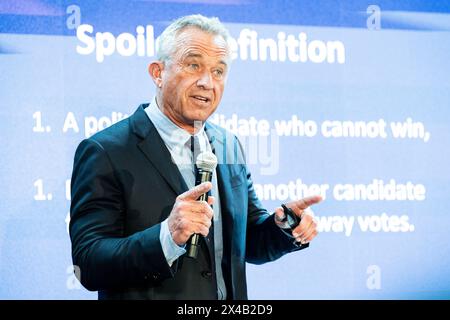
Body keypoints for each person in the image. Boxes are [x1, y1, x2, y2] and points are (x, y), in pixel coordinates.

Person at [69, 14, 321, 300]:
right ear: (157, 72)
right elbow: (88, 264)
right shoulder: (106, 151)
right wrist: (167, 237)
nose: (207, 82)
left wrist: (284, 225)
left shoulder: (228, 144)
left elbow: (247, 240)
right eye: (193, 65)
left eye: (218, 71)